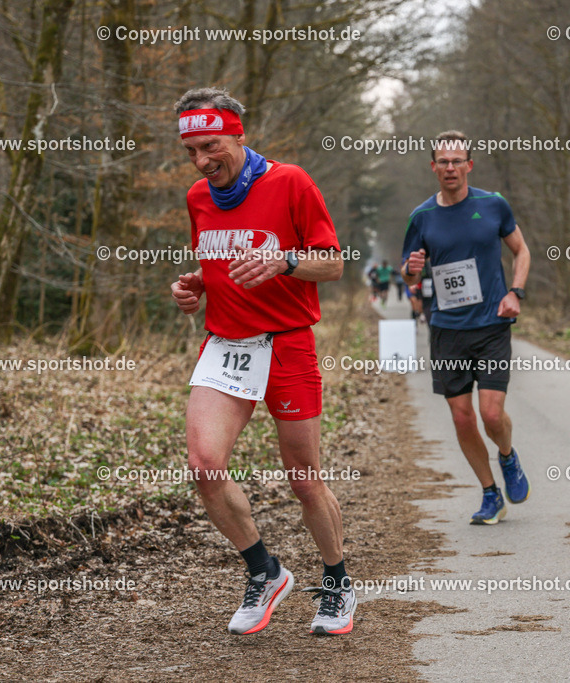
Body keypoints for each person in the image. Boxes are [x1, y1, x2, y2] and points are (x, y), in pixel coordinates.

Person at [170, 87, 356, 635]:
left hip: (287, 343)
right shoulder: (198, 197)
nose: (203, 162)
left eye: (211, 146)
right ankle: (265, 571)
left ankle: (337, 582)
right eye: (191, 152)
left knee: (303, 478)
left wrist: (287, 260)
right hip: (225, 345)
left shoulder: (291, 182)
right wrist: (194, 286)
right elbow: (219, 262)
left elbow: (334, 263)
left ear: (238, 135)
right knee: (205, 466)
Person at [401, 130, 531, 525]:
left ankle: (507, 457)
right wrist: (412, 271)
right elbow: (408, 276)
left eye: (458, 161)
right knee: (461, 417)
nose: (451, 168)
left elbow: (521, 251)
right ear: (433, 167)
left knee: (492, 415)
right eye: (443, 161)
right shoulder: (421, 217)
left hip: (492, 324)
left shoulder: (493, 205)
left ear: (469, 165)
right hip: (446, 329)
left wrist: (516, 293)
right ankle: (490, 493)